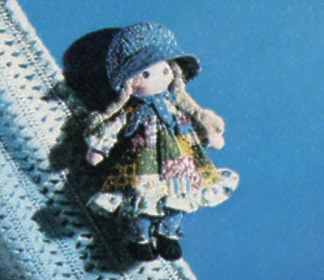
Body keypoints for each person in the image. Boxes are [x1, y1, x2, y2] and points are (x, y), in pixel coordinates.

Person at [70, 22, 238, 261]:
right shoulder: (133, 110)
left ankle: (168, 234)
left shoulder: (174, 105)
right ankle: (140, 238)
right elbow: (114, 126)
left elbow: (193, 121)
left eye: (165, 70)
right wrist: (100, 148)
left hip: (180, 160)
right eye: (146, 74)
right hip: (144, 162)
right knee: (142, 200)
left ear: (173, 71)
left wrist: (209, 132)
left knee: (180, 197)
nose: (159, 78)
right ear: (130, 82)